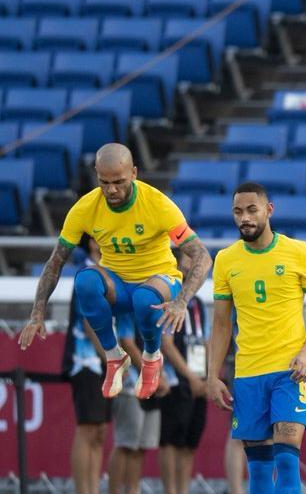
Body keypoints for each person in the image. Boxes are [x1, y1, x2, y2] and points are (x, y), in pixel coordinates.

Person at [19, 143, 212, 402]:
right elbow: (56, 262)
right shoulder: (85, 208)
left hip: (159, 280)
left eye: (119, 182)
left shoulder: (157, 204)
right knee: (85, 280)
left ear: (133, 173)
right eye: (104, 182)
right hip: (118, 284)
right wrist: (37, 312)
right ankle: (114, 357)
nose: (111, 190)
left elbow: (202, 256)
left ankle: (152, 356)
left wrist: (181, 302)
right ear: (97, 174)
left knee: (144, 299)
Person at [206, 182, 306, 494]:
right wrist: (212, 374)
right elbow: (222, 323)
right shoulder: (226, 260)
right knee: (258, 464)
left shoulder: (298, 252)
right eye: (238, 211)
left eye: (252, 210)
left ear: (269, 210)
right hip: (248, 374)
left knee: (287, 454)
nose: (245, 218)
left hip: (291, 371)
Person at [64, 235, 130, 494]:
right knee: (87, 427)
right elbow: (91, 323)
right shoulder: (88, 275)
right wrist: (112, 360)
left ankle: (94, 493)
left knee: (101, 430)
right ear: (91, 244)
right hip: (87, 361)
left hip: (104, 362)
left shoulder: (113, 275)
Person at [158, 297, 210, 494]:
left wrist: (208, 376)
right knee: (171, 440)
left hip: (199, 381)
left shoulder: (198, 304)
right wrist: (191, 378)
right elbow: (166, 344)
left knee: (190, 442)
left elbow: (205, 342)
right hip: (176, 381)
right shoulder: (171, 301)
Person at [109, 354, 166, 494]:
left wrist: (158, 376)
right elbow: (127, 340)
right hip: (131, 383)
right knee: (125, 443)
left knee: (140, 446)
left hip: (152, 383)